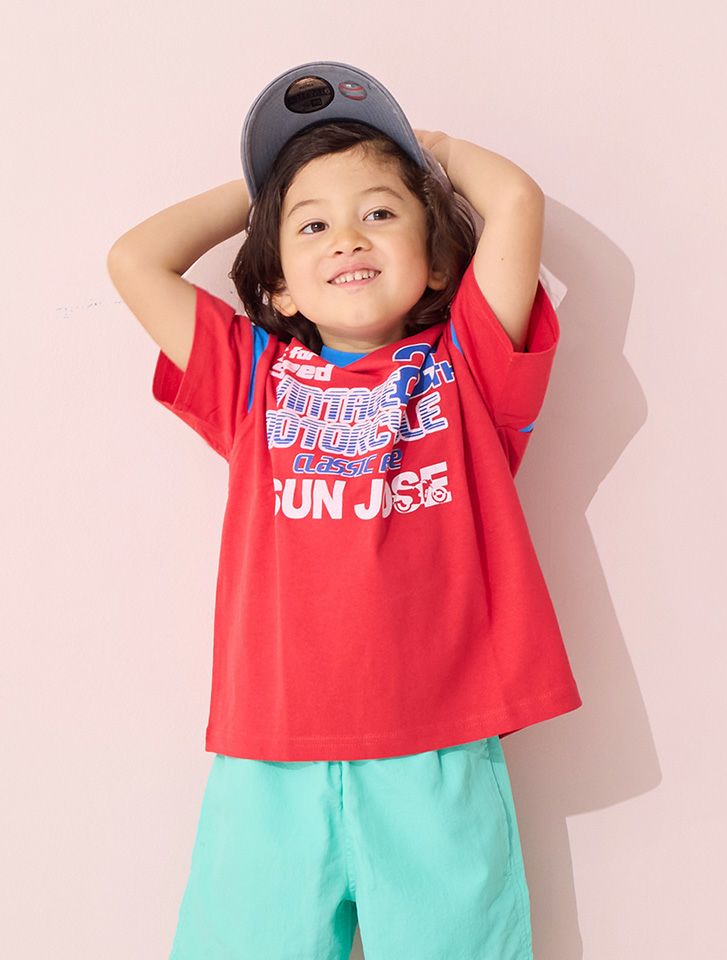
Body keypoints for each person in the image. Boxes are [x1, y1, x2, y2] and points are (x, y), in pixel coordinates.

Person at [107, 61, 581, 960]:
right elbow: (134, 260)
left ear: (436, 262)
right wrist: (265, 187)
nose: (348, 237)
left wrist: (430, 152)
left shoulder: (468, 372)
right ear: (279, 286)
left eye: (381, 213)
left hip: (436, 750)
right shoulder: (252, 379)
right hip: (268, 754)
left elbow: (516, 202)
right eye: (312, 225)